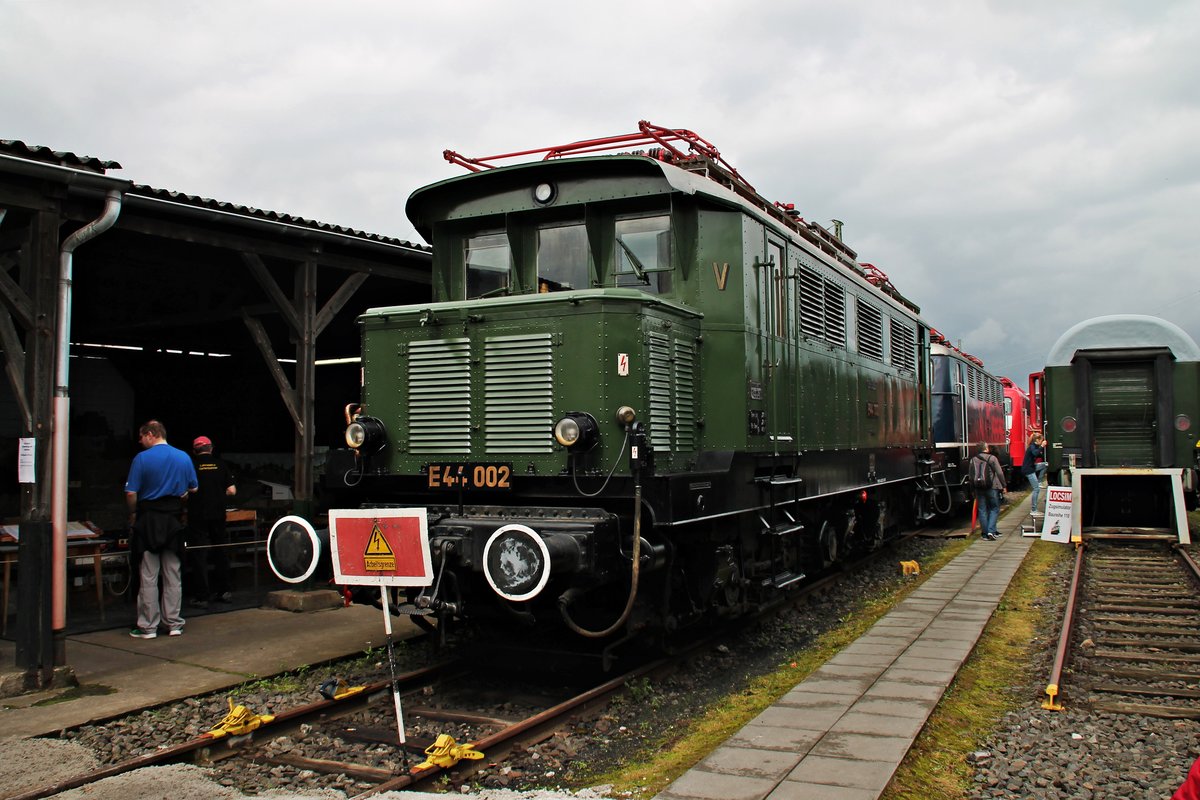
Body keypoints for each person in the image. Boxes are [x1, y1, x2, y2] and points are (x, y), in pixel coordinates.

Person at [125, 420, 197, 638]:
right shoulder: (183, 457)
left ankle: (148, 626)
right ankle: (173, 623)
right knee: (173, 573)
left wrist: (133, 513)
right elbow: (193, 487)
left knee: (149, 574)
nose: (140, 442)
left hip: (148, 518)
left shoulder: (141, 459)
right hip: (173, 519)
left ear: (150, 434)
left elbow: (131, 493)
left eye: (141, 437)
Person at [188, 435, 237, 605]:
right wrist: (217, 494)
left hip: (197, 515)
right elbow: (232, 490)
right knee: (220, 551)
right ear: (211, 448)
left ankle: (202, 596)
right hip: (218, 514)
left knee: (199, 554)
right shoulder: (221, 465)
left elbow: (184, 492)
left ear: (194, 451)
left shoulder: (191, 466)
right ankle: (224, 591)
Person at [970, 442, 1007, 540]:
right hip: (992, 486)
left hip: (978, 487)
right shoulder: (992, 458)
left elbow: (971, 476)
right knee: (994, 508)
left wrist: (972, 489)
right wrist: (1004, 485)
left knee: (982, 510)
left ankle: (985, 533)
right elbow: (999, 472)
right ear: (986, 448)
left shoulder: (973, 460)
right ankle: (991, 530)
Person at [1021, 432, 1047, 514]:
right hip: (1029, 469)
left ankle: (1039, 481)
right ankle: (1034, 509)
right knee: (1036, 489)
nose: (1042, 441)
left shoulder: (1035, 446)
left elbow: (1038, 454)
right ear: (1037, 440)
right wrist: (1042, 446)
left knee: (1045, 465)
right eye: (1041, 440)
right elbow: (1035, 453)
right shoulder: (1032, 446)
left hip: (1032, 467)